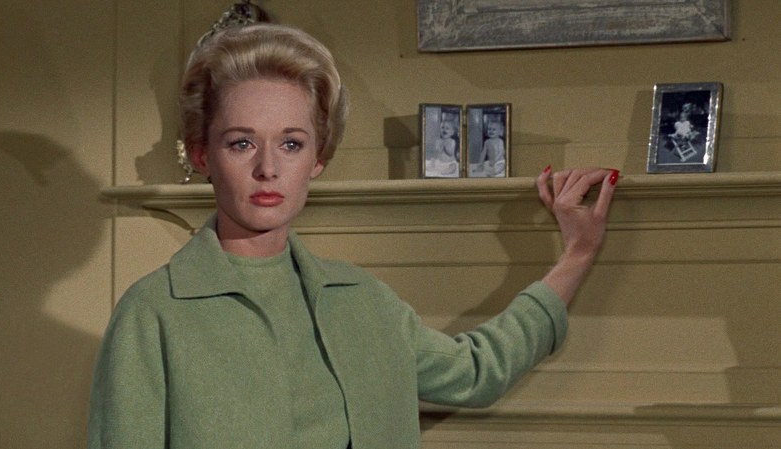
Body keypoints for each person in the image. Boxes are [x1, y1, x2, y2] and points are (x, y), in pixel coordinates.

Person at [86, 23, 620, 448]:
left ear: (318, 157)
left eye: (291, 144)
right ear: (204, 155)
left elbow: (477, 371)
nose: (268, 168)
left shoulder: (362, 301)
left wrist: (578, 252)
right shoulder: (152, 314)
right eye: (241, 143)